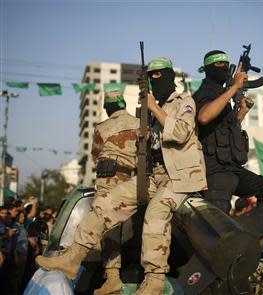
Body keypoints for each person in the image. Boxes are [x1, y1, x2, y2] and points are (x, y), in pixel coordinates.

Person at [37, 57, 207, 295]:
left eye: (159, 74)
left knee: (155, 214)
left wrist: (154, 108)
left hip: (180, 176)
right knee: (105, 203)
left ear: (170, 76)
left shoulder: (184, 102)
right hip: (155, 175)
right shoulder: (152, 108)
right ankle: (73, 257)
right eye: (152, 75)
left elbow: (180, 133)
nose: (155, 79)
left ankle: (155, 280)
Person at [193, 50, 263, 261]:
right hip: (215, 172)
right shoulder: (204, 93)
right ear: (207, 69)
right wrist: (234, 87)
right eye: (219, 65)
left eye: (226, 64)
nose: (225, 68)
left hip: (232, 169)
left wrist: (241, 112)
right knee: (217, 229)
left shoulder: (221, 95)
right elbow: (204, 116)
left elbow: (227, 129)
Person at [36, 84, 140, 295]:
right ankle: (112, 278)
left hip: (107, 179)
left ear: (108, 107)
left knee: (104, 228)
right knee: (117, 229)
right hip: (130, 180)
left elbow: (95, 156)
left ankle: (109, 276)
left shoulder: (102, 127)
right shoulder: (139, 123)